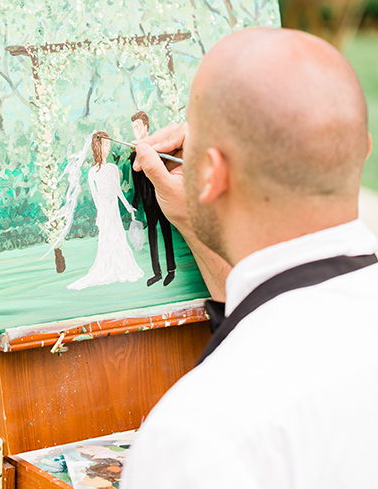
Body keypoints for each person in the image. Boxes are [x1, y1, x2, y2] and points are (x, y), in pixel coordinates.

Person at [121, 27, 378, 488]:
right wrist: (196, 218)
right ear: (361, 149)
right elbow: (272, 304)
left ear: (213, 173)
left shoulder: (196, 438)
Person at [68, 131, 144, 290]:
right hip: (104, 209)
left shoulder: (113, 168)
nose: (108, 148)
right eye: (106, 145)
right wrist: (99, 214)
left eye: (109, 145)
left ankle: (122, 266)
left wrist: (128, 206)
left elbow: (118, 190)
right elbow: (95, 196)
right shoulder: (92, 173)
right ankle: (108, 268)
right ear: (98, 147)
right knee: (107, 238)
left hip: (113, 208)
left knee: (118, 236)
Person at [130, 110, 176, 287]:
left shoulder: (156, 150)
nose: (135, 131)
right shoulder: (134, 155)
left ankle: (171, 270)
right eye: (133, 128)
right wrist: (135, 203)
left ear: (146, 128)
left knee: (166, 231)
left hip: (161, 198)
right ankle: (157, 272)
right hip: (148, 203)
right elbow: (136, 182)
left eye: (138, 127)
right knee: (152, 235)